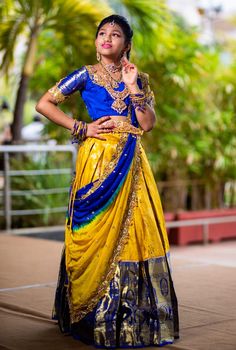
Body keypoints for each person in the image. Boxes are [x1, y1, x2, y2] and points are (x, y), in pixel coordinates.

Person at [36, 14, 179, 348]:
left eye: (115, 34)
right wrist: (81, 128)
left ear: (126, 44)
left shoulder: (138, 77)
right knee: (94, 233)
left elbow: (147, 124)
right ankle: (90, 315)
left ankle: (132, 323)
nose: (107, 38)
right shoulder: (85, 75)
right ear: (96, 40)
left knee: (136, 235)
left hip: (132, 164)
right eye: (102, 33)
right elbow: (45, 104)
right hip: (97, 162)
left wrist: (133, 88)